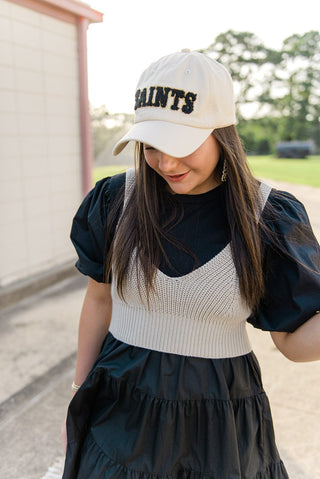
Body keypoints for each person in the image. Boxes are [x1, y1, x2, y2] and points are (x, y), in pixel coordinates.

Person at [62, 50, 320, 479]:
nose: (165, 163)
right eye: (151, 146)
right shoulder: (115, 200)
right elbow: (99, 300)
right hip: (117, 410)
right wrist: (79, 391)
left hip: (217, 426)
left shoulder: (267, 217)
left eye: (181, 145)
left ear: (223, 132)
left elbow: (292, 344)